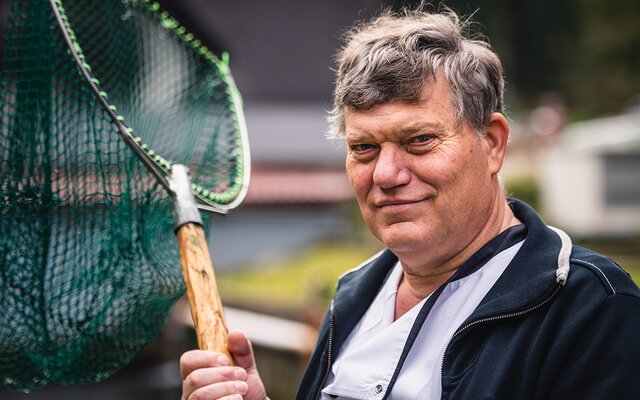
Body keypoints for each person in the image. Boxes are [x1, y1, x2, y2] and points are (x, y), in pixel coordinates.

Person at [180, 8, 640, 400]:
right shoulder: (355, 295)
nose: (385, 174)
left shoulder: (592, 310)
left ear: (493, 143)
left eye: (419, 140)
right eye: (363, 148)